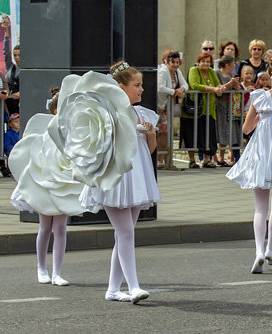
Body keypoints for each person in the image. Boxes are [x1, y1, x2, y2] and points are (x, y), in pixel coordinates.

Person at [80, 62, 161, 303]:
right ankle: (133, 286)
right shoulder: (108, 112)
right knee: (125, 232)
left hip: (136, 177)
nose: (141, 90)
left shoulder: (143, 114)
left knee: (124, 233)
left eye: (141, 85)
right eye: (136, 85)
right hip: (115, 177)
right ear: (120, 87)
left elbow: (150, 150)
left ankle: (114, 289)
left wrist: (151, 133)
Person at [226, 56, 272, 272]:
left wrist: (260, 121)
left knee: (260, 207)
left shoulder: (259, 97)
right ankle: (270, 248)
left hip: (262, 152)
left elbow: (246, 129)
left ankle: (258, 251)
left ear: (269, 74)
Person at [10, 90, 75, 286]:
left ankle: (57, 272)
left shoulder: (70, 130)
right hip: (43, 180)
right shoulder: (43, 128)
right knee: (45, 226)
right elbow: (31, 150)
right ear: (56, 111)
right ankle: (41, 267)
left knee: (61, 227)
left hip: (62, 180)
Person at [187, 52, 222, 168]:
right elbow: (194, 85)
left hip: (210, 108)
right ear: (198, 62)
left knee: (209, 133)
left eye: (208, 61)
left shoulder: (211, 72)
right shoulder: (194, 70)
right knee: (196, 133)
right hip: (197, 108)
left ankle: (207, 159)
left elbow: (218, 84)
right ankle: (193, 160)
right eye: (203, 61)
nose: (206, 64)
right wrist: (213, 89)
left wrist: (221, 87)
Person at [156, 51, 187, 167]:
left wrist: (181, 90)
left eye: (177, 62)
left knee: (165, 133)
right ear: (167, 62)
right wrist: (174, 92)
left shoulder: (177, 72)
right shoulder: (163, 71)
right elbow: (160, 87)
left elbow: (185, 84)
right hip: (159, 107)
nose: (175, 65)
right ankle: (159, 159)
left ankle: (162, 159)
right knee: (162, 133)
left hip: (167, 108)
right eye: (172, 62)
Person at [214, 55, 242, 165]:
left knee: (227, 131)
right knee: (220, 130)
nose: (234, 66)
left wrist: (236, 84)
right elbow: (219, 88)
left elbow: (237, 89)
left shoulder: (231, 75)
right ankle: (218, 157)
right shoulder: (217, 73)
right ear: (227, 65)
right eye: (232, 64)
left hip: (230, 107)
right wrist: (230, 83)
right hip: (219, 105)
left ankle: (222, 156)